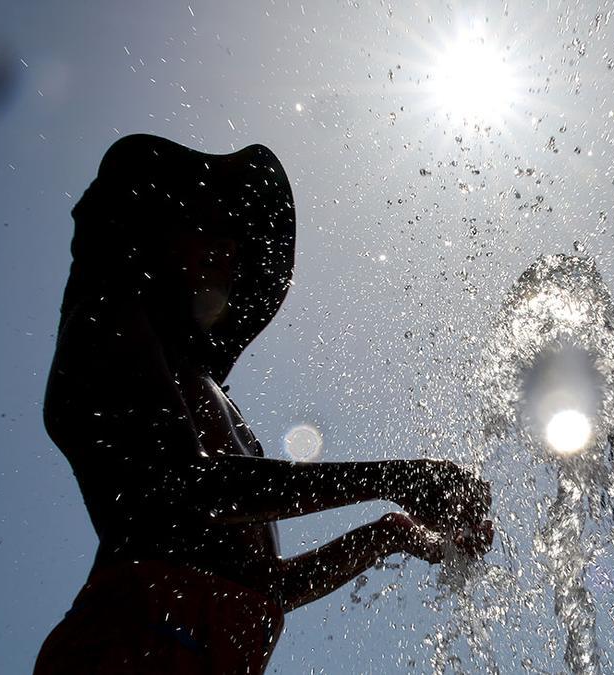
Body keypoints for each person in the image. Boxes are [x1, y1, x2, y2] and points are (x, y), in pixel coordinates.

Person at [35, 134, 492, 674]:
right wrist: (396, 477)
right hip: (133, 645)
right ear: (149, 228)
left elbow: (266, 584)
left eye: (237, 236)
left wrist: (388, 533)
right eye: (208, 223)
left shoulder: (208, 394)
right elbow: (193, 488)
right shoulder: (106, 325)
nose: (229, 247)